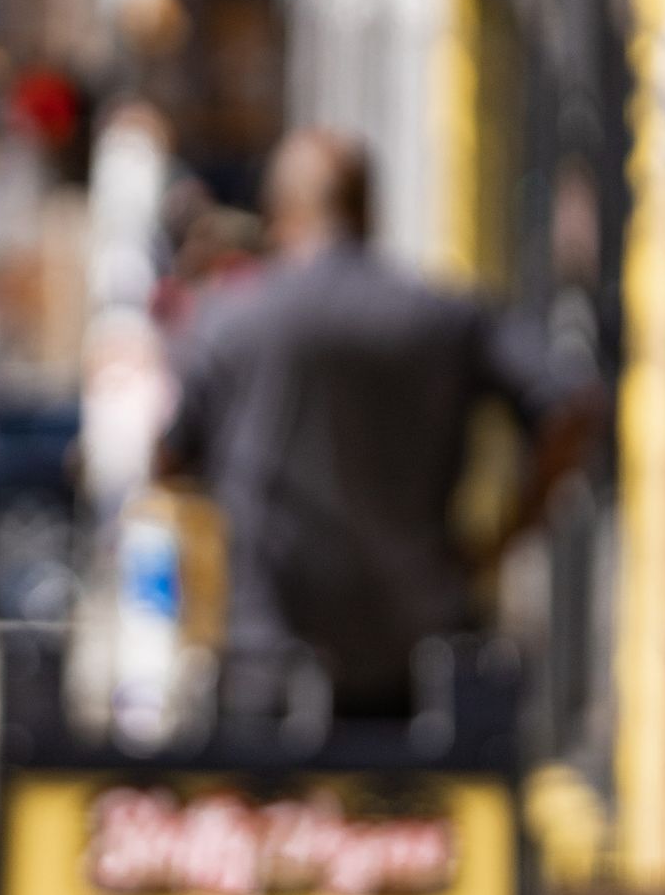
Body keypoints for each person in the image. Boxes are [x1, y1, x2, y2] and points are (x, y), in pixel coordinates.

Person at [160, 127, 595, 718]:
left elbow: (168, 459)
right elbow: (570, 408)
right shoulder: (442, 315)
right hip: (417, 666)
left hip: (269, 666)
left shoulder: (227, 320)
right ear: (368, 211)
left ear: (279, 214)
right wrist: (504, 538)